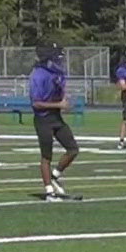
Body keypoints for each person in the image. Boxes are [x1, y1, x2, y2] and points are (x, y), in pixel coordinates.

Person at [31, 42, 81, 201]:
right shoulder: (38, 75)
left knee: (73, 149)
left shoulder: (57, 73)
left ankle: (55, 175)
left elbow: (61, 91)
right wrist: (58, 104)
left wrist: (65, 101)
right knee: (46, 156)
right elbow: (36, 103)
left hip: (56, 117)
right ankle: (48, 191)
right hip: (43, 118)